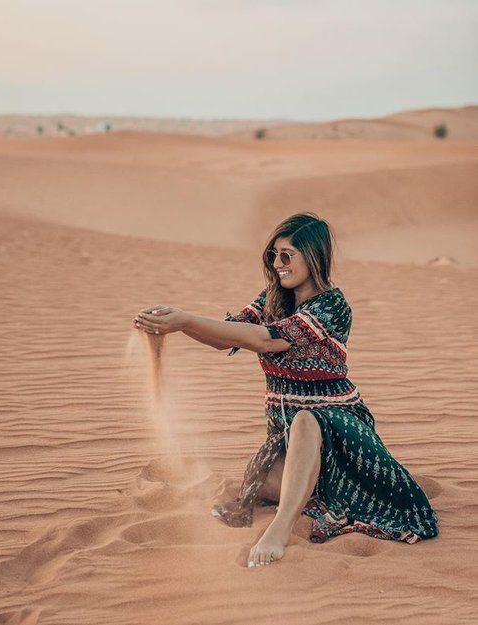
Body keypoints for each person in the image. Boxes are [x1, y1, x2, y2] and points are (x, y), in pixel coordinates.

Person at [133, 212, 439, 569]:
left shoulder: (331, 306)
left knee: (308, 420)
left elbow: (267, 340)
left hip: (339, 431)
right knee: (260, 484)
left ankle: (281, 528)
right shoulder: (272, 300)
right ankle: (316, 497)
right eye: (273, 255)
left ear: (314, 256)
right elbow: (227, 336)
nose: (278, 264)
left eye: (287, 255)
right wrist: (173, 324)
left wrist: (185, 319)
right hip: (285, 436)